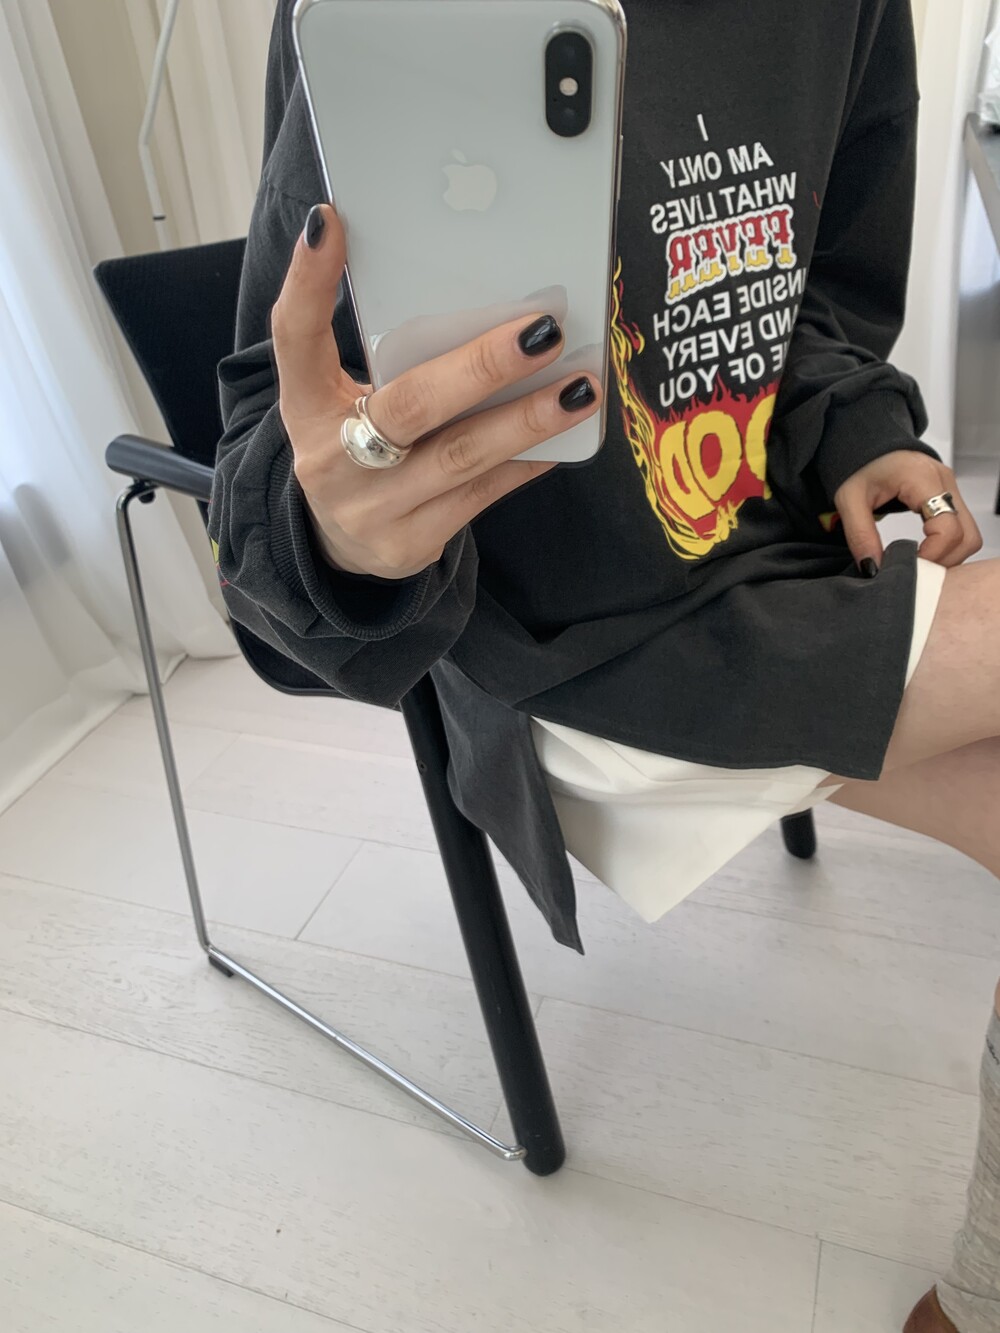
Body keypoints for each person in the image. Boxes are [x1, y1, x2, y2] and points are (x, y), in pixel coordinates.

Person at [207, 3, 999, 1329]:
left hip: (778, 556)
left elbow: (819, 305)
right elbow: (267, 448)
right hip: (553, 643)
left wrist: (857, 427)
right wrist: (340, 534)